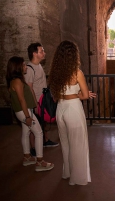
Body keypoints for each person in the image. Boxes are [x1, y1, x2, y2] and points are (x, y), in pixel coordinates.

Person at [49, 40, 91, 186]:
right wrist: (78, 94)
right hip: (73, 109)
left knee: (66, 144)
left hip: (60, 109)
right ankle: (78, 178)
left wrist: (75, 93)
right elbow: (85, 96)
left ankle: (67, 173)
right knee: (78, 144)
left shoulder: (55, 72)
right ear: (74, 55)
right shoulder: (77, 73)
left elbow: (59, 94)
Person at [6, 56, 54, 172]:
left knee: (26, 132)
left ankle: (27, 157)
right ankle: (40, 161)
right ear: (17, 67)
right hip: (24, 112)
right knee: (38, 133)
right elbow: (22, 100)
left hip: (24, 111)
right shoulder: (17, 81)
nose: (25, 66)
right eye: (23, 65)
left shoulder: (18, 80)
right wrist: (28, 117)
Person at [25, 42, 59, 156]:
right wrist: (35, 105)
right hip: (37, 102)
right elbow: (30, 89)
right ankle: (33, 148)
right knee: (34, 126)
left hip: (43, 98)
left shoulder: (38, 65)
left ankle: (45, 141)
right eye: (41, 51)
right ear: (35, 54)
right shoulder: (30, 69)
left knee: (43, 121)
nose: (44, 53)